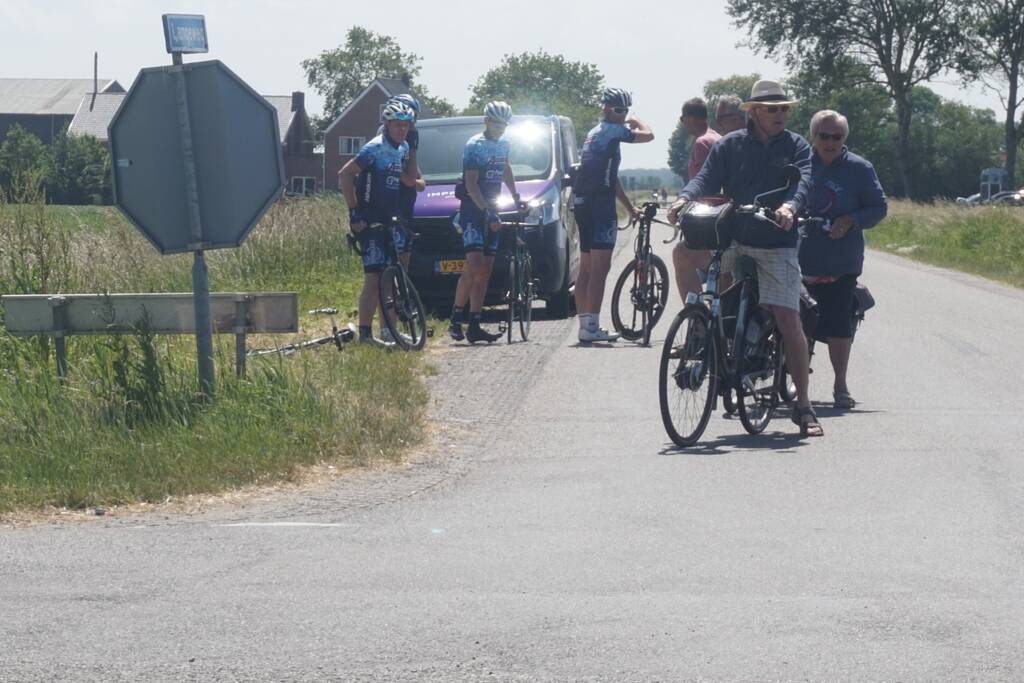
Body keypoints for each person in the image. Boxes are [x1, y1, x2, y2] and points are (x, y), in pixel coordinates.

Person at [668, 79, 823, 436]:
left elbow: (804, 182)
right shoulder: (730, 145)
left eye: (784, 109)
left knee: (788, 318)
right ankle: (711, 343)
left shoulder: (797, 145)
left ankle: (803, 407)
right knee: (708, 284)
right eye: (772, 109)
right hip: (735, 235)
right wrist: (683, 199)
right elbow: (705, 178)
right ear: (753, 112)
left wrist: (789, 206)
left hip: (777, 240)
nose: (780, 115)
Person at [800, 109, 887, 409]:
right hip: (798, 260)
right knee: (794, 324)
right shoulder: (800, 164)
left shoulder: (859, 169)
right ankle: (795, 385)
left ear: (844, 138)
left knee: (838, 325)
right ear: (814, 136)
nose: (830, 142)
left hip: (841, 262)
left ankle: (840, 385)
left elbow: (879, 207)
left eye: (836, 137)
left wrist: (851, 219)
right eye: (824, 136)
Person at [573, 87, 654, 342]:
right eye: (620, 110)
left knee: (586, 269)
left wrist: (630, 208)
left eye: (626, 110)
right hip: (600, 206)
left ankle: (585, 326)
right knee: (600, 269)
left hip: (583, 203)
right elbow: (649, 136)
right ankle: (593, 327)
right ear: (606, 108)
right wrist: (636, 120)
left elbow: (611, 177)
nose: (623, 115)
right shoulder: (612, 131)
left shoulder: (593, 133)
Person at [339, 100, 419, 346]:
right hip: (370, 220)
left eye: (405, 125)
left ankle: (389, 331)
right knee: (373, 279)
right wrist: (354, 212)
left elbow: (410, 179)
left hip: (391, 219)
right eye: (397, 125)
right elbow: (345, 174)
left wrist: (413, 149)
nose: (401, 129)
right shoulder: (374, 148)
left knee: (392, 278)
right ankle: (365, 335)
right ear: (386, 124)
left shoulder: (403, 147)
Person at [448, 101, 520, 343]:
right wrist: (485, 210)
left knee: (486, 269)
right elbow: (470, 183)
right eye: (496, 123)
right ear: (486, 121)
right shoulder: (474, 145)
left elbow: (505, 168)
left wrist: (515, 195)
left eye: (504, 124)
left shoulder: (504, 144)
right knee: (475, 264)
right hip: (473, 209)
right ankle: (456, 318)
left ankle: (475, 324)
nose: (500, 128)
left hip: (492, 208)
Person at [377, 94, 426, 343]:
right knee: (388, 271)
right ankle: (386, 327)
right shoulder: (389, 141)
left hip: (407, 209)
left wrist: (416, 179)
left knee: (401, 270)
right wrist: (416, 180)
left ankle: (395, 324)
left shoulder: (410, 138)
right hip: (392, 209)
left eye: (411, 122)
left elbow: (418, 177)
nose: (409, 127)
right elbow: (412, 180)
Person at [670, 98, 723, 303]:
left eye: (682, 119)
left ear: (690, 119)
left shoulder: (702, 143)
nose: (682, 123)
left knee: (680, 254)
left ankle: (697, 322)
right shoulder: (719, 138)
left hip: (711, 223)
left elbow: (704, 187)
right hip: (724, 220)